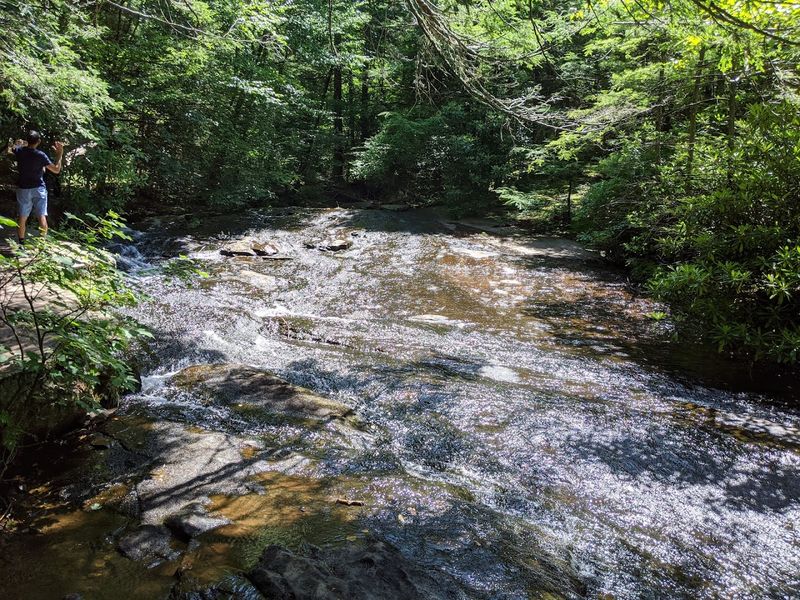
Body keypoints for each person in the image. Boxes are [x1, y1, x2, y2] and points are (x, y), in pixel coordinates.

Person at [6, 131, 66, 243]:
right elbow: (56, 169)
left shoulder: (20, 152)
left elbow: (10, 149)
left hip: (23, 188)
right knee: (41, 216)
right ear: (38, 141)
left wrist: (18, 144)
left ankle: (21, 244)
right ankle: (41, 244)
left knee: (22, 218)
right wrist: (59, 154)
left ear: (27, 140)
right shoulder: (40, 155)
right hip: (39, 188)